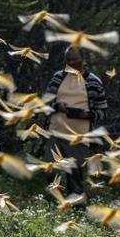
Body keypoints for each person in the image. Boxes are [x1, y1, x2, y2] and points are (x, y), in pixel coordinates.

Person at [44, 46, 108, 196]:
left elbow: (103, 110)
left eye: (75, 59)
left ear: (83, 60)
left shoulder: (94, 81)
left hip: (80, 136)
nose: (72, 62)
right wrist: (56, 106)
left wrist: (89, 115)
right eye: (69, 60)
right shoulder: (58, 78)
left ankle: (77, 206)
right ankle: (54, 204)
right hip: (56, 132)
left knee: (75, 174)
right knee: (50, 170)